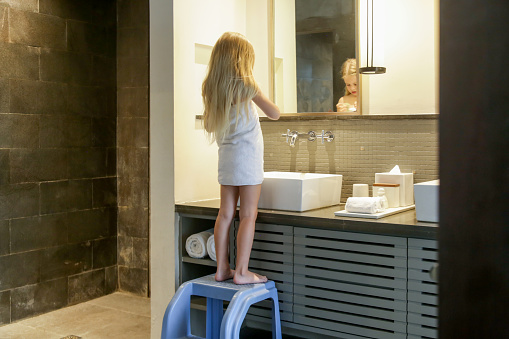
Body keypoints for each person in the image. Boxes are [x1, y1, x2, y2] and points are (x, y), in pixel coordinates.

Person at [202, 32, 280, 284]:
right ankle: (243, 272)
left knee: (224, 214)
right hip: (247, 158)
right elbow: (275, 113)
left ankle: (222, 268)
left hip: (226, 158)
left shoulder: (212, 87)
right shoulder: (246, 85)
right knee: (248, 215)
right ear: (242, 61)